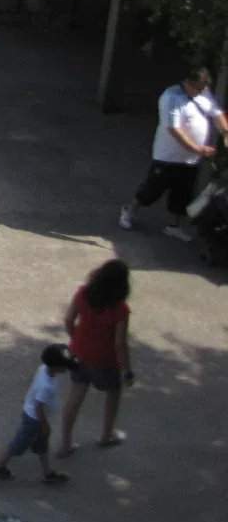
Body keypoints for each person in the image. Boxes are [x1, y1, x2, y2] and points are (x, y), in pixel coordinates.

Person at [119, 67, 225, 241]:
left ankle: (173, 226)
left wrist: (226, 132)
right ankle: (129, 211)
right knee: (151, 190)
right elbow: (174, 130)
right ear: (187, 83)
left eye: (204, 87)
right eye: (199, 87)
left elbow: (217, 113)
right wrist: (198, 149)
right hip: (167, 157)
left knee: (182, 195)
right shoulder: (171, 97)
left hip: (189, 160)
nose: (201, 91)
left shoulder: (203, 94)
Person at [58, 259, 132, 456]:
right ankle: (107, 434)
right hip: (105, 361)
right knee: (113, 393)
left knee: (74, 398)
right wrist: (127, 370)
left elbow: (68, 320)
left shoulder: (83, 293)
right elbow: (120, 344)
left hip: (79, 355)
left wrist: (75, 339)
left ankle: (66, 443)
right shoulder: (120, 309)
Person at [0, 344, 74, 485]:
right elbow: (38, 407)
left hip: (35, 418)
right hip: (34, 421)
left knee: (42, 445)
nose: (67, 367)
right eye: (64, 365)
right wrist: (45, 425)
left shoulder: (43, 369)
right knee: (18, 444)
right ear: (56, 366)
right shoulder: (45, 386)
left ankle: (47, 472)